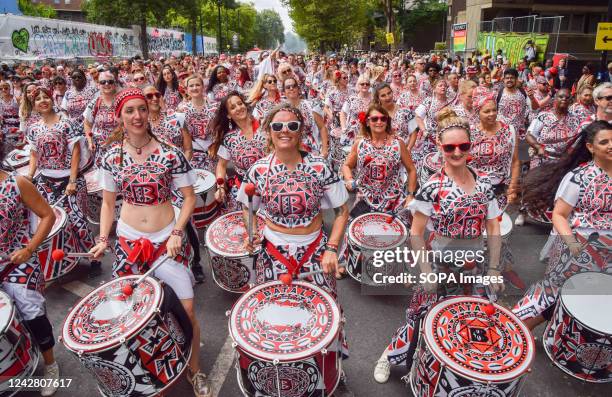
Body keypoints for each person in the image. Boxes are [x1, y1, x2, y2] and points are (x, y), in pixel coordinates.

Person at [89, 88, 212, 397]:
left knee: (187, 313)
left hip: (166, 242)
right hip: (130, 241)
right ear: (120, 116)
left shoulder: (171, 152)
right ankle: (151, 375)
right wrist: (104, 238)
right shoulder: (110, 156)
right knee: (131, 317)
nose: (137, 116)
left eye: (141, 109)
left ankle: (194, 369)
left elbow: (187, 198)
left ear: (149, 112)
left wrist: (176, 233)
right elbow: (107, 204)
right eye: (129, 110)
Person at [373, 108, 504, 384]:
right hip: (439, 263)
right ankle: (389, 356)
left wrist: (493, 268)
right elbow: (417, 233)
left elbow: (493, 226)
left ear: (471, 146)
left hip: (474, 265)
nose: (457, 152)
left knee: (469, 318)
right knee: (421, 316)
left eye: (463, 146)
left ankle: (453, 376)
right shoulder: (432, 187)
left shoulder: (485, 183)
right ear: (439, 147)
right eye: (450, 147)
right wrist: (426, 271)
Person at [238, 103, 349, 297]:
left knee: (323, 311)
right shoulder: (258, 170)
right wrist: (252, 232)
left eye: (292, 126)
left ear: (301, 131)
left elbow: (341, 210)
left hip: (314, 249)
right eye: (278, 126)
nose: (285, 131)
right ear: (269, 131)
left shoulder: (320, 167)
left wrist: (332, 248)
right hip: (272, 251)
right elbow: (248, 209)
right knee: (272, 312)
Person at [513, 120, 611, 329]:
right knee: (553, 293)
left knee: (591, 299)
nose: (611, 146)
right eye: (604, 142)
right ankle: (515, 328)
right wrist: (572, 244)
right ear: (591, 147)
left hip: (608, 255)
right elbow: (559, 214)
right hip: (577, 250)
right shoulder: (577, 178)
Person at [1, 141, 60, 397]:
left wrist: (29, 249)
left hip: (18, 262)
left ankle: (50, 365)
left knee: (31, 311)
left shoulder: (17, 184)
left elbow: (48, 215)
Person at [26, 87, 101, 276]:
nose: (43, 101)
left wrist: (73, 181)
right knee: (52, 221)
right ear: (34, 105)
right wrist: (29, 176)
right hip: (45, 181)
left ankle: (93, 257)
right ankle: (59, 261)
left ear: (53, 100)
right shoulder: (33, 128)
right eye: (38, 99)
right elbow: (34, 154)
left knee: (77, 220)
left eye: (46, 97)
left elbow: (76, 152)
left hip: (69, 180)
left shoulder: (66, 123)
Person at [339, 104, 417, 267]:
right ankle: (348, 264)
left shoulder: (398, 144)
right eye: (374, 118)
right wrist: (348, 179)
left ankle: (404, 269)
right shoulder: (360, 144)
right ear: (367, 122)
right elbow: (347, 165)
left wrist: (410, 195)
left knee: (404, 232)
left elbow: (411, 170)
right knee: (352, 228)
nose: (379, 122)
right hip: (365, 199)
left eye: (383, 118)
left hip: (393, 200)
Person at [470, 90, 524, 288]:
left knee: (498, 232)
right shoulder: (470, 132)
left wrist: (512, 188)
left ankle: (499, 268)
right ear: (478, 112)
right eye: (486, 111)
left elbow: (516, 162)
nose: (492, 114)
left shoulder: (509, 130)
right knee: (476, 233)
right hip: (475, 193)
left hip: (500, 193)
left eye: (494, 110)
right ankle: (474, 271)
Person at [210, 92, 267, 212]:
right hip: (242, 189)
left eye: (240, 104)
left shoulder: (265, 128)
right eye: (233, 107)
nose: (238, 108)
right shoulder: (229, 138)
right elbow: (221, 165)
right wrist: (220, 187)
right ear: (229, 115)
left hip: (268, 187)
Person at [282, 76, 329, 157]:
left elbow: (322, 128)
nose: (291, 88)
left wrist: (324, 150)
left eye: (294, 86)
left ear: (298, 89)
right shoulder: (281, 110)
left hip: (311, 150)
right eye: (288, 87)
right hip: (290, 149)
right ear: (284, 92)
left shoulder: (311, 106)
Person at [178, 75, 217, 172]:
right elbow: (180, 133)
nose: (194, 88)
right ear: (186, 90)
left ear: (203, 87)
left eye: (197, 85)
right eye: (191, 86)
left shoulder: (215, 106)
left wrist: (215, 145)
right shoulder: (182, 109)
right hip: (192, 151)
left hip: (212, 151)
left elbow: (221, 129)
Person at [414, 78, 453, 167]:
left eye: (445, 86)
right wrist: (424, 130)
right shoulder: (429, 101)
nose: (443, 88)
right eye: (440, 86)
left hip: (445, 138)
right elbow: (418, 117)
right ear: (434, 89)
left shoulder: (450, 103)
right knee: (428, 162)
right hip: (429, 138)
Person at [83, 70, 118, 168]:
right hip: (100, 151)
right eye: (103, 82)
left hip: (120, 149)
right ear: (98, 85)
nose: (107, 84)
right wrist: (90, 141)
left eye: (110, 81)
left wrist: (112, 138)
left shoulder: (122, 101)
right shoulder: (94, 103)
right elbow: (87, 124)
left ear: (114, 84)